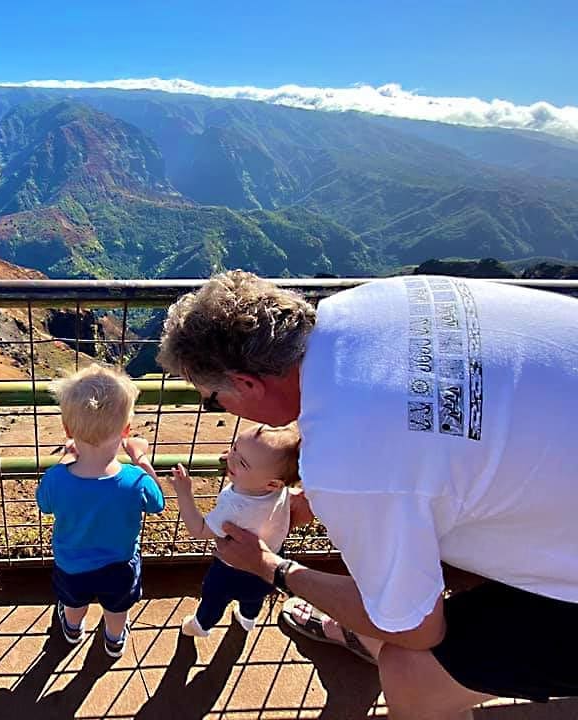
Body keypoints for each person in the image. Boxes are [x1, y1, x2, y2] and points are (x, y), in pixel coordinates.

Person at [157, 270, 578, 719]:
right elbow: (426, 452)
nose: (220, 410)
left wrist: (270, 567)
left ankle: (376, 637)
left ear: (246, 383)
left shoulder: (347, 460)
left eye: (212, 400)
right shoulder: (369, 301)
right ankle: (359, 625)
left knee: (409, 666)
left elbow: (420, 631)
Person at [36, 364, 165, 658]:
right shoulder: (135, 480)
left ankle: (71, 628)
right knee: (117, 606)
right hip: (119, 565)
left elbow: (44, 505)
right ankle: (114, 638)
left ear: (68, 430)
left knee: (74, 601)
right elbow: (158, 503)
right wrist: (141, 458)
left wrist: (64, 459)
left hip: (71, 564)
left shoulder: (57, 478)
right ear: (126, 431)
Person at [171, 422, 300, 638]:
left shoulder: (236, 506)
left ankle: (201, 626)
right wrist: (238, 460)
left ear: (273, 484)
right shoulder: (280, 489)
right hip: (271, 561)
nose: (230, 458)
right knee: (253, 598)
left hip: (231, 569)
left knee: (214, 598)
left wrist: (184, 493)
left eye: (242, 462)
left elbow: (199, 529)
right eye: (234, 447)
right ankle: (248, 619)